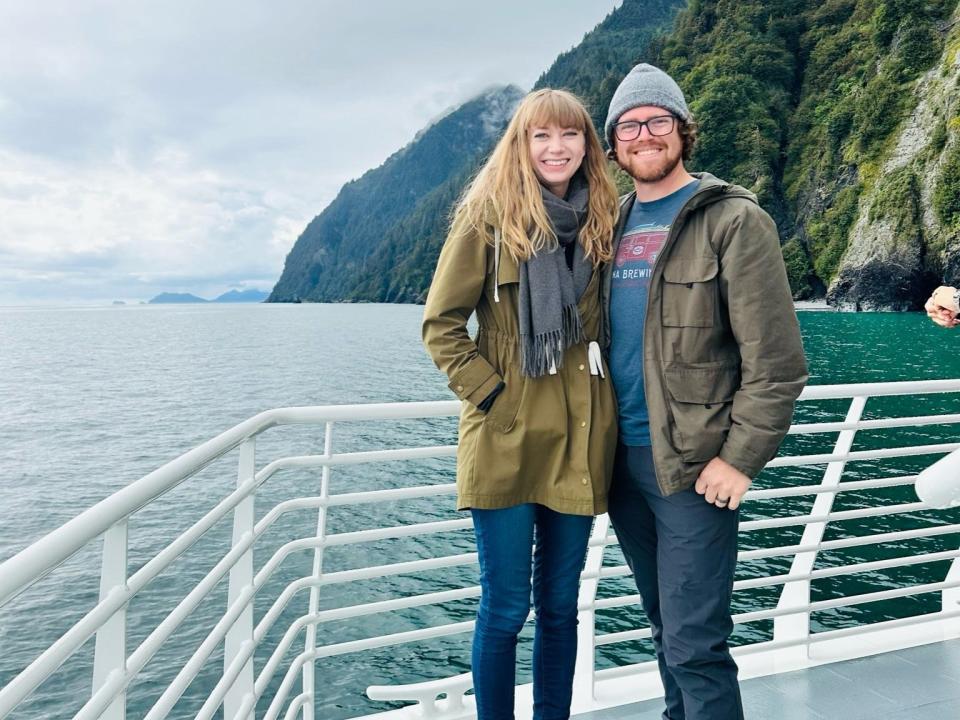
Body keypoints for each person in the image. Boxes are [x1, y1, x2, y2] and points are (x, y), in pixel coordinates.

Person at [601, 64, 808, 720]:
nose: (644, 135)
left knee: (696, 645)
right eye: (629, 125)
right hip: (622, 465)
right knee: (666, 632)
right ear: (614, 144)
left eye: (657, 120)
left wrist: (740, 458)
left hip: (694, 468)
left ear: (682, 131)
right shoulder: (610, 224)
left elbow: (777, 364)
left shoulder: (733, 220)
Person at [421, 89, 620, 719]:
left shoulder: (603, 220)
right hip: (505, 435)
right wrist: (495, 398)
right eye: (541, 136)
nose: (556, 148)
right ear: (520, 145)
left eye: (570, 135)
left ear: (587, 145)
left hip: (581, 433)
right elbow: (441, 326)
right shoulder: (487, 219)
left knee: (562, 607)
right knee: (505, 608)